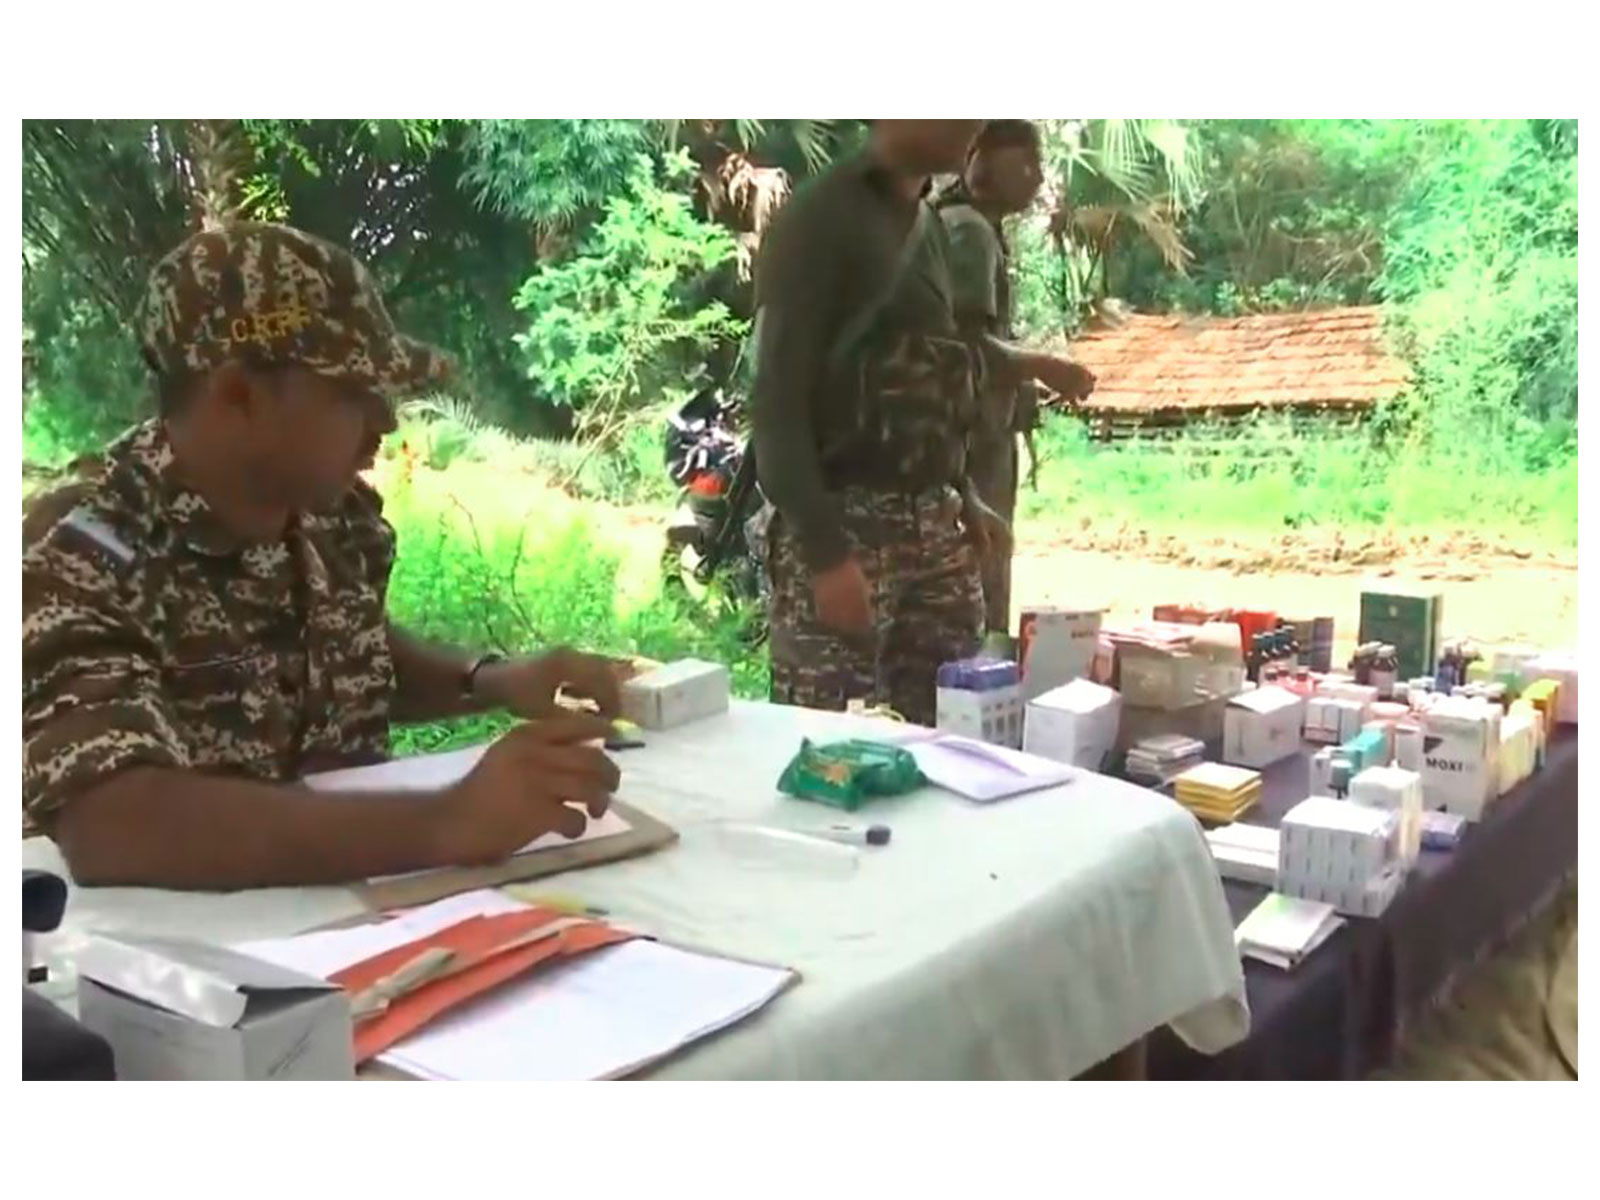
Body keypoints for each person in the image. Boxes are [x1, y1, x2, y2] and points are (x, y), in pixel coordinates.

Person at [22, 222, 628, 891]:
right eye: (351, 393)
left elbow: (353, 654)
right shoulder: (81, 556)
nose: (387, 422)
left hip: (369, 927)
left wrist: (488, 680)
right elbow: (115, 825)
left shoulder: (328, 514)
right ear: (238, 395)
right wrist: (447, 823)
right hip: (184, 973)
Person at [751, 120, 1094, 725]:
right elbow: (776, 402)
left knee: (952, 739)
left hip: (936, 525)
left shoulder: (930, 224)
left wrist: (960, 492)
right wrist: (827, 555)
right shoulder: (822, 218)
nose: (973, 121)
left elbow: (935, 367)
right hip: (843, 520)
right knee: (825, 745)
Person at [936, 120, 1095, 634]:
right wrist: (1045, 366)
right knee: (979, 578)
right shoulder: (969, 232)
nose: (1035, 176)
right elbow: (964, 345)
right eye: (1024, 161)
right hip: (969, 444)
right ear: (978, 159)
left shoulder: (969, 227)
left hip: (970, 441)